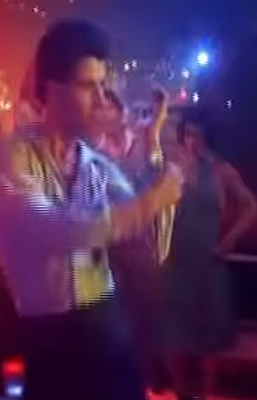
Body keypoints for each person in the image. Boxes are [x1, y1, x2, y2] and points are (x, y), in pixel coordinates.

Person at [0, 20, 183, 400]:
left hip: (107, 324)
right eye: (89, 86)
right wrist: (151, 202)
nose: (102, 99)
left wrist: (155, 146)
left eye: (103, 87)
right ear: (51, 89)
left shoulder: (95, 164)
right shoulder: (9, 155)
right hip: (49, 337)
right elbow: (55, 230)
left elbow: (147, 232)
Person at [162, 108, 257, 400]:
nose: (192, 141)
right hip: (175, 258)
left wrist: (229, 240)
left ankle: (207, 391)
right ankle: (181, 391)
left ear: (207, 137)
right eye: (188, 134)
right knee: (175, 329)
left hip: (208, 258)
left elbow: (251, 206)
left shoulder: (220, 170)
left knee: (210, 331)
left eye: (198, 134)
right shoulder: (170, 168)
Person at [92, 88, 175, 393]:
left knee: (145, 317)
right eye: (100, 109)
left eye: (110, 108)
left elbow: (154, 168)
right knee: (114, 324)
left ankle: (146, 377)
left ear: (121, 113)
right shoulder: (93, 154)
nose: (106, 114)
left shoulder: (139, 145)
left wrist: (159, 118)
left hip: (140, 245)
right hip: (109, 248)